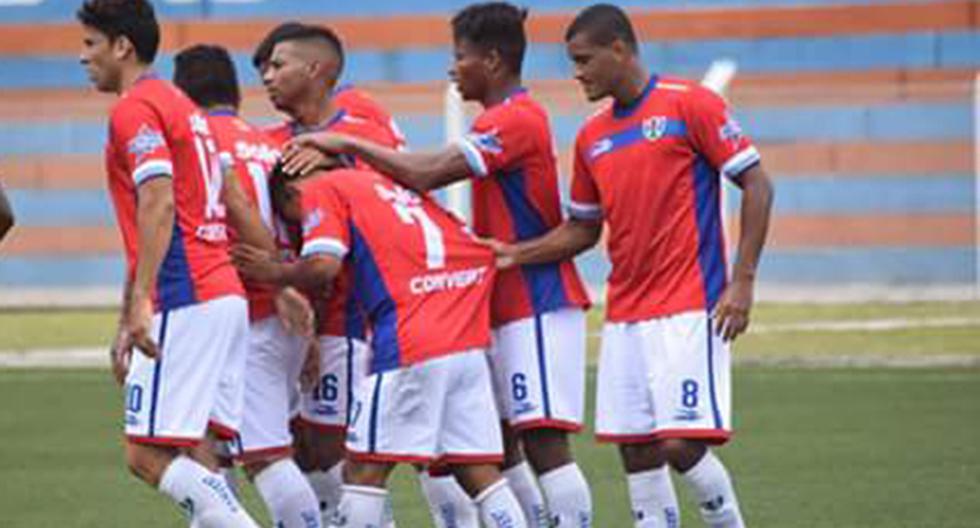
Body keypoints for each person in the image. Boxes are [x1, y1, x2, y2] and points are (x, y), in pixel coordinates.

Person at [285, 3, 593, 526]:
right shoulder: (496, 120)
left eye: (460, 56)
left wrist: (344, 144)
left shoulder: (517, 118)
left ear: (492, 61)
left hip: (537, 300)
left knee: (543, 442)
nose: (453, 69)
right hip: (499, 303)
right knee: (493, 450)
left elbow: (427, 173)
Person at [498, 4, 774, 527]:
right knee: (637, 449)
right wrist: (515, 254)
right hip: (625, 314)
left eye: (584, 60)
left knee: (678, 443)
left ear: (619, 49)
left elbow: (757, 183)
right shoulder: (591, 136)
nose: (577, 72)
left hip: (692, 305)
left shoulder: (689, 104)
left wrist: (743, 281)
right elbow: (582, 229)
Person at [256, 23, 473, 525]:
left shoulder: (361, 122)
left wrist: (335, 150)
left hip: (372, 311)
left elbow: (393, 195)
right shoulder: (276, 141)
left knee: (398, 452)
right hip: (328, 308)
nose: (267, 77)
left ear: (317, 70)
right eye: (263, 68)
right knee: (320, 446)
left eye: (277, 65)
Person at [232, 164, 529, 528]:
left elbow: (323, 265)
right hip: (464, 335)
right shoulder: (394, 185)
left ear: (292, 193)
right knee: (480, 472)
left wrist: (276, 274)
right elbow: (478, 250)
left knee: (361, 471)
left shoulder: (320, 190)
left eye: (293, 218)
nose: (300, 227)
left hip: (410, 342)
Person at [76, 1, 259, 526]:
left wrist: (142, 303)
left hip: (186, 294)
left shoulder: (135, 109)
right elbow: (226, 201)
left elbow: (156, 199)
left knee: (147, 455)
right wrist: (125, 316)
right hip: (221, 292)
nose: (82, 57)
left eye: (90, 44)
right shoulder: (185, 107)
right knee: (198, 450)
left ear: (122, 46)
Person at [173, 43, 323, 528]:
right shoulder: (268, 143)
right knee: (212, 448)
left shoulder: (198, 144)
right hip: (284, 312)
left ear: (181, 94)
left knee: (265, 456)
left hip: (244, 314)